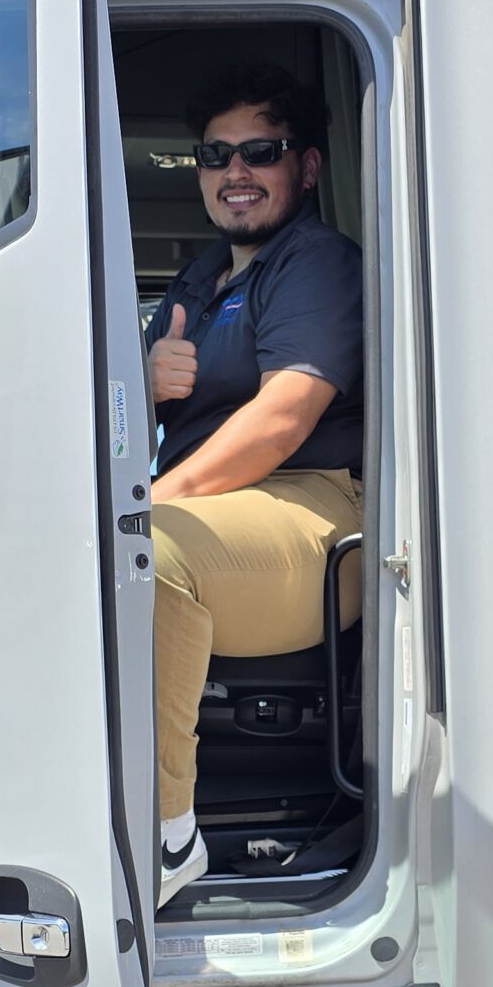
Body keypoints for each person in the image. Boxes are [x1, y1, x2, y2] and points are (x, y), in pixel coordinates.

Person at [147, 63, 364, 904]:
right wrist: (141, 371)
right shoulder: (200, 280)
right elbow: (128, 416)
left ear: (304, 166)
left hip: (318, 508)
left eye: (260, 151)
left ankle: (166, 837)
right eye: (215, 155)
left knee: (144, 554)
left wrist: (154, 502)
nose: (235, 173)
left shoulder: (315, 263)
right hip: (226, 508)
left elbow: (283, 418)